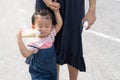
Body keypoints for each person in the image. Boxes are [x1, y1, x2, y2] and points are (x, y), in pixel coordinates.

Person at [35, 0, 96, 80]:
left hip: (73, 4)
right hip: (46, 3)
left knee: (73, 44)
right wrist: (47, 2)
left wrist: (92, 8)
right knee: (49, 45)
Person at [16, 8, 62, 80]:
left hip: (51, 72)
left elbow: (59, 24)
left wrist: (56, 12)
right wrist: (19, 40)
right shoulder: (33, 42)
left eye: (47, 26)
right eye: (40, 26)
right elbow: (26, 54)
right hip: (39, 74)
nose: (43, 29)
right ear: (33, 27)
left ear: (51, 27)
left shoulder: (51, 35)